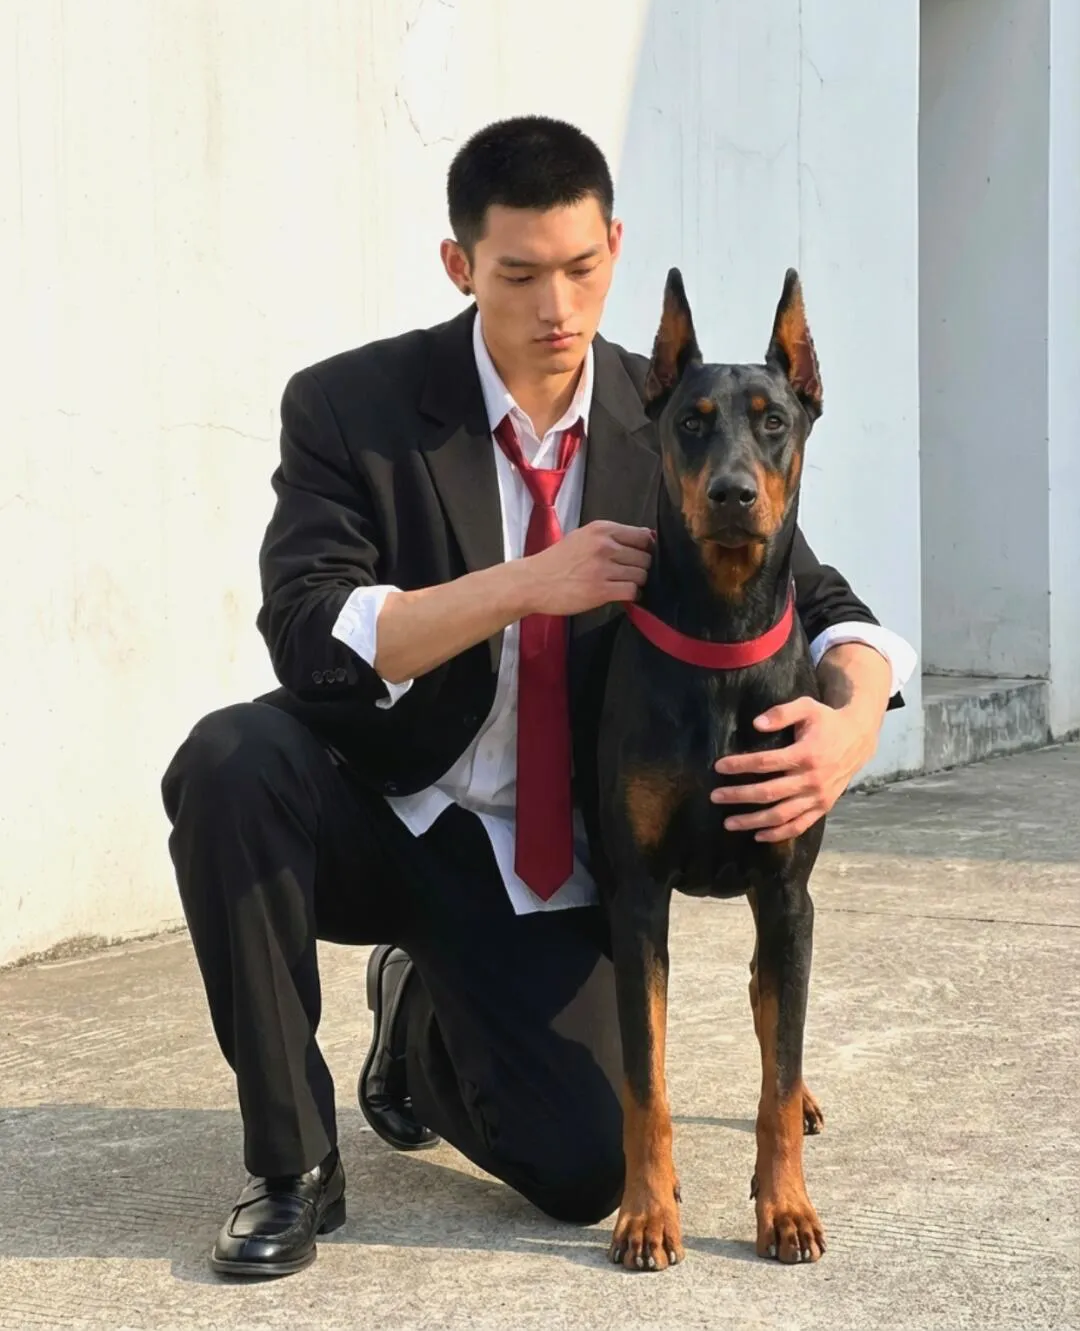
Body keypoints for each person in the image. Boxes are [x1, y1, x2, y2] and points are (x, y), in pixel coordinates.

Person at [162, 115, 915, 1277]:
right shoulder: (352, 408)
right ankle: (291, 1164)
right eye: (518, 274)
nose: (558, 307)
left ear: (615, 247)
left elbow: (824, 602)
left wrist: (855, 719)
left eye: (581, 268)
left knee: (581, 1169)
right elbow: (306, 632)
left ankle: (418, 1017)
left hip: (546, 855)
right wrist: (522, 584)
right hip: (386, 804)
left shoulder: (676, 413)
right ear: (461, 265)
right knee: (228, 763)